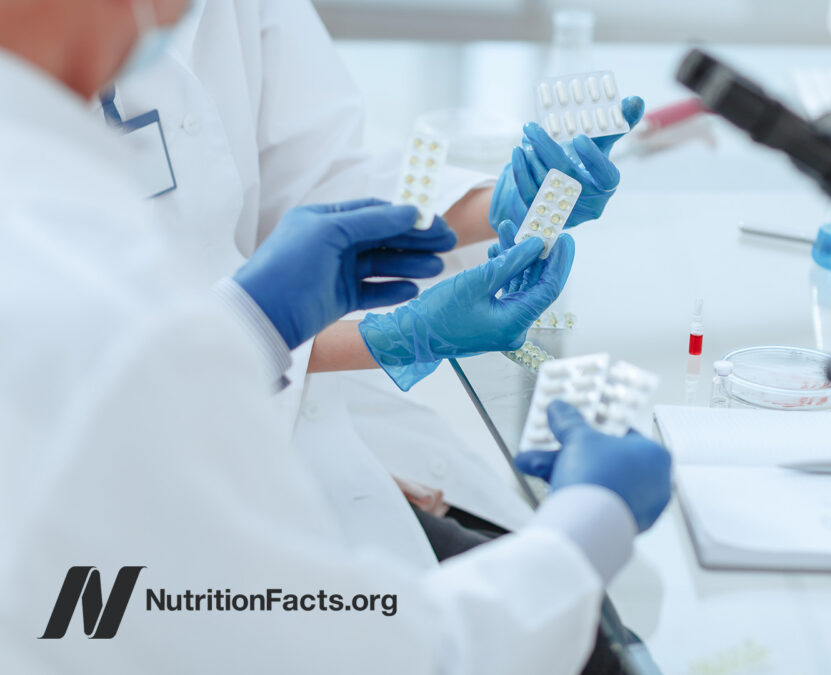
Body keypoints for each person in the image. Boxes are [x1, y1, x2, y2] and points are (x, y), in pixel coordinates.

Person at [0, 1, 672, 672]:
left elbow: (331, 180)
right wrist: (591, 523)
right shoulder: (86, 302)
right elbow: (386, 657)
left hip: (231, 475)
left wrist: (252, 319)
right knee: (601, 638)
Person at [105, 0, 644, 531]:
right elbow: (119, 360)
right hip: (154, 478)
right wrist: (394, 337)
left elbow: (322, 186)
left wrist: (504, 205)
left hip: (311, 427)